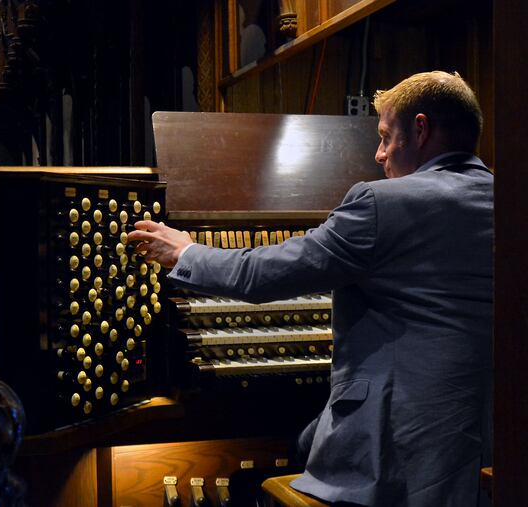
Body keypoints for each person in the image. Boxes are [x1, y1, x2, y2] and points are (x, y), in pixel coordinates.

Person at [127, 71, 493, 506]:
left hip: (399, 448)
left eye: (384, 136)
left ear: (420, 129)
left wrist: (185, 252)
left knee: (299, 446)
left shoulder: (383, 203)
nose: (378, 154)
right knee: (302, 439)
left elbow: (261, 275)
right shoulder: (505, 197)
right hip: (487, 437)